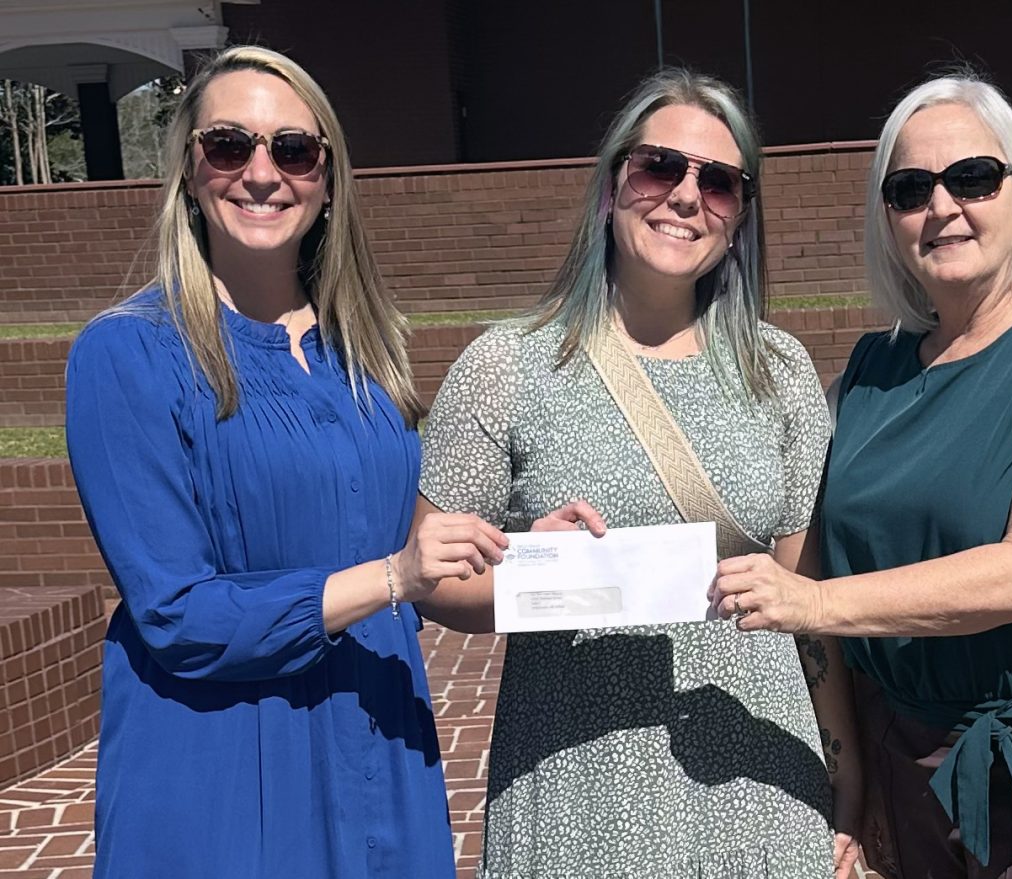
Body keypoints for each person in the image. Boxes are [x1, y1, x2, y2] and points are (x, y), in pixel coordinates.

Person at [711, 73, 1012, 879]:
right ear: (887, 218)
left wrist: (815, 603)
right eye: (910, 189)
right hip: (908, 754)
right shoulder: (874, 370)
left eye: (972, 177)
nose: (942, 206)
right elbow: (785, 521)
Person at [66, 46, 507, 878]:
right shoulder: (126, 354)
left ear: (329, 179)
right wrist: (392, 577)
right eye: (229, 145)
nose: (263, 173)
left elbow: (401, 546)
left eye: (294, 149)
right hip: (226, 772)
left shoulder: (364, 353)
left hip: (377, 747)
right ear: (189, 169)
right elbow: (176, 613)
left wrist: (530, 551)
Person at [417, 69, 837, 877]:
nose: (685, 196)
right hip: (578, 784)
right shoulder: (506, 366)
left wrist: (844, 779)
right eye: (658, 167)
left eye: (719, 182)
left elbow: (807, 608)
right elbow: (433, 581)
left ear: (740, 216)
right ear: (611, 187)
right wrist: (529, 567)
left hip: (755, 779)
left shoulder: (779, 372)